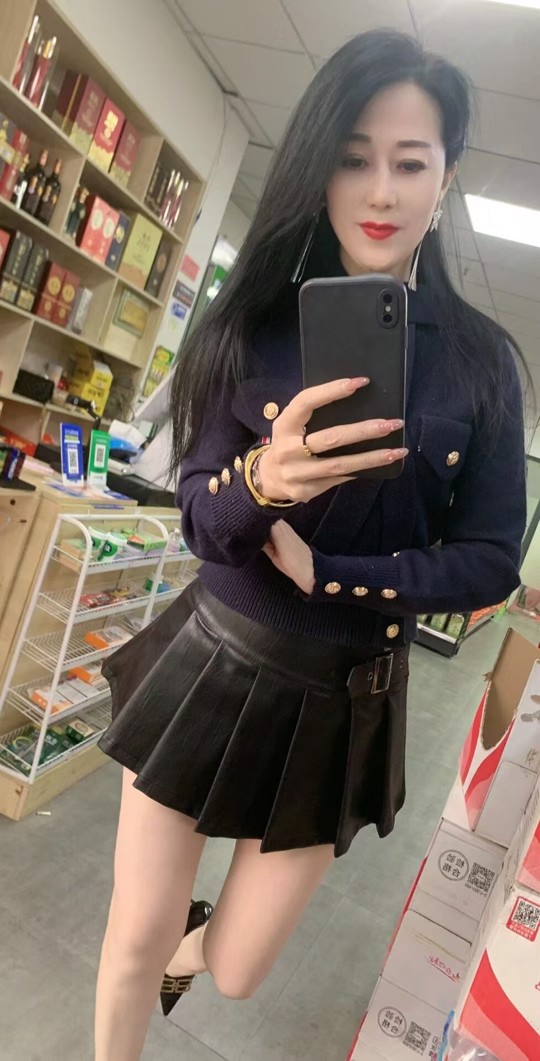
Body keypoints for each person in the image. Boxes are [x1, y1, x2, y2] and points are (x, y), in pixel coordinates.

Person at [95, 29, 529, 1061]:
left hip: (349, 691)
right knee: (133, 933)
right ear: (318, 168)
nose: (379, 189)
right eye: (352, 156)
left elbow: (491, 559)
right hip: (216, 654)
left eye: (410, 162)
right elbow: (199, 515)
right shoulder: (251, 321)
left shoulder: (480, 364)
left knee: (237, 967)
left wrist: (334, 572)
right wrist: (260, 483)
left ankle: (189, 944)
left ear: (446, 176)